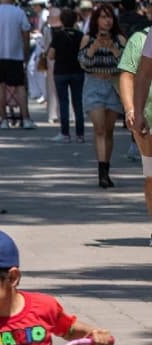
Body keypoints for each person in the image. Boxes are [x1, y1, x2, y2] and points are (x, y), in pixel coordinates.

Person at [79, 4, 125, 189]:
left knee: (109, 130)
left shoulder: (119, 39)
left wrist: (114, 49)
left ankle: (107, 167)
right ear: (96, 20)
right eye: (103, 17)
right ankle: (102, 174)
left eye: (110, 17)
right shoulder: (87, 38)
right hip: (94, 85)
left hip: (113, 86)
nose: (107, 21)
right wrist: (94, 47)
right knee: (99, 129)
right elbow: (83, 63)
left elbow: (127, 63)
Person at [119, 24, 152, 246]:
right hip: (149, 118)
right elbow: (137, 75)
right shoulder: (141, 39)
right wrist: (134, 111)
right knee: (151, 177)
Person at [0, 0, 36, 129]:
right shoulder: (19, 13)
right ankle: (26, 118)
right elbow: (26, 34)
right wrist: (26, 53)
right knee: (20, 86)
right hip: (15, 54)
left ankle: (3, 120)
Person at [48, 7, 85, 143]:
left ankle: (65, 133)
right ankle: (80, 134)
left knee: (63, 102)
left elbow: (51, 55)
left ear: (62, 20)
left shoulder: (58, 35)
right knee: (78, 103)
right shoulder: (80, 35)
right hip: (77, 71)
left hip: (61, 71)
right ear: (75, 20)